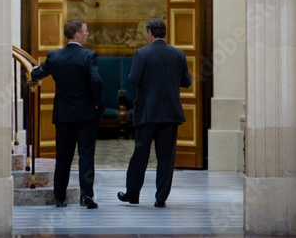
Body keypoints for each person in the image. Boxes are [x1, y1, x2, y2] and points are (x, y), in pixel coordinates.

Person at [117, 17, 192, 208]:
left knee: (140, 155)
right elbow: (187, 82)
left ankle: (132, 194)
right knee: (166, 157)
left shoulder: (142, 53)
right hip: (170, 114)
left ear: (150, 32)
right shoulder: (178, 54)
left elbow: (133, 80)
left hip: (147, 115)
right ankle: (161, 198)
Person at [30, 19, 104, 209]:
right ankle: (87, 196)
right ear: (77, 34)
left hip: (63, 115)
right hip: (86, 114)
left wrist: (33, 71)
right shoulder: (89, 56)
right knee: (86, 156)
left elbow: (37, 74)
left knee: (63, 156)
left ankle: (60, 197)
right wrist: (98, 104)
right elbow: (96, 81)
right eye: (86, 31)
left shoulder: (55, 56)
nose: (88, 33)